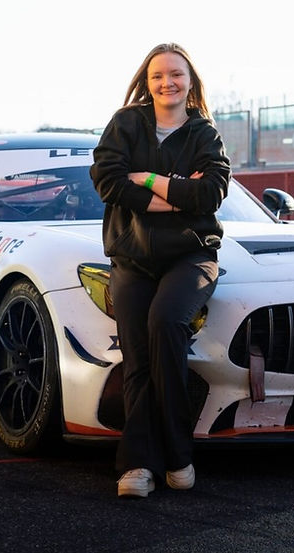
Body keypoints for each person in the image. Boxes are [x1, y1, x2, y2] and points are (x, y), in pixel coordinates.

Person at [90, 43, 231, 498]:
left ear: (190, 82)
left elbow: (211, 193)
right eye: (157, 75)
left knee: (166, 324)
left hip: (192, 256)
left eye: (176, 74)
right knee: (137, 355)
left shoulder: (204, 134)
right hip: (132, 258)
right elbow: (107, 181)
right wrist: (176, 197)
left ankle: (177, 453)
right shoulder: (126, 123)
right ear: (146, 82)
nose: (167, 82)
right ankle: (138, 465)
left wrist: (148, 179)